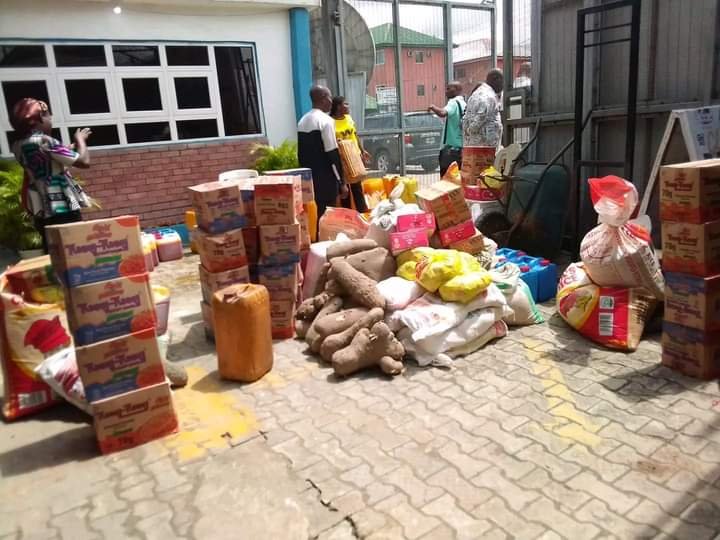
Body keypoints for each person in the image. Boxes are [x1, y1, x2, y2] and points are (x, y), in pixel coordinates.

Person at [11, 98, 93, 253]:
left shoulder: (17, 145)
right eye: (48, 116)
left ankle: (54, 274)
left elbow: (42, 159)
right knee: (73, 244)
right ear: (40, 117)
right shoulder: (45, 140)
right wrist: (80, 141)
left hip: (40, 203)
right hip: (60, 201)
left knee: (52, 247)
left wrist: (65, 148)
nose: (51, 120)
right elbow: (84, 161)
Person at [297, 86, 346, 222]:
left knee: (316, 214)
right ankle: (326, 241)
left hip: (310, 179)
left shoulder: (302, 121)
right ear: (323, 98)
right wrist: (342, 182)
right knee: (328, 217)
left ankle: (317, 240)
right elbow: (333, 154)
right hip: (327, 179)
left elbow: (300, 154)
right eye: (329, 97)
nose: (331, 101)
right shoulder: (326, 121)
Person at [330, 96, 369, 213]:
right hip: (342, 160)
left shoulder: (348, 118)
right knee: (345, 190)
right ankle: (348, 216)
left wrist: (362, 150)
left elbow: (355, 135)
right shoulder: (330, 122)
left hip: (354, 157)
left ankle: (362, 214)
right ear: (338, 107)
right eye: (345, 104)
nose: (348, 106)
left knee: (357, 188)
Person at [428, 81, 466, 176]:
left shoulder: (453, 102)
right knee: (457, 181)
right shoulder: (463, 104)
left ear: (457, 90)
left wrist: (433, 107)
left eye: (449, 89)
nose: (446, 91)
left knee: (446, 182)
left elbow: (443, 113)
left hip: (450, 152)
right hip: (461, 150)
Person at [463, 69, 504, 149]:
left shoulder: (477, 93)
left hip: (475, 145)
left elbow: (466, 119)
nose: (503, 86)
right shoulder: (488, 96)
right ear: (496, 79)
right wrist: (472, 130)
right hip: (485, 148)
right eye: (503, 82)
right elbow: (481, 116)